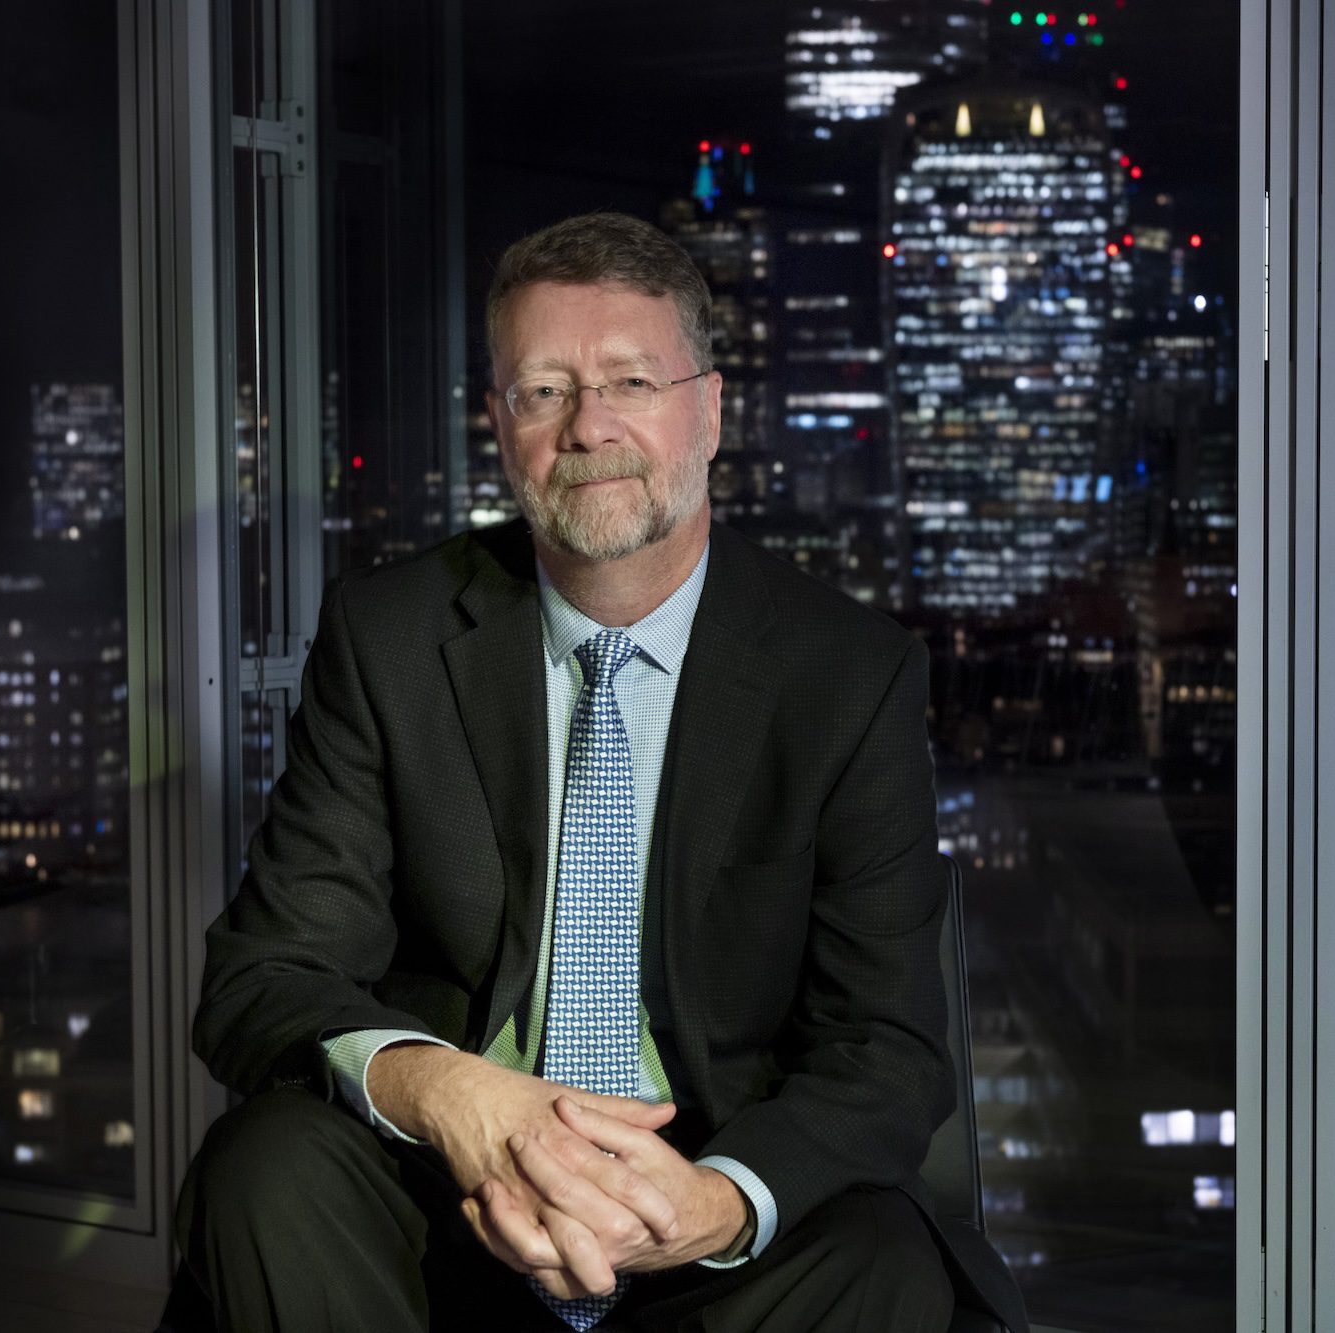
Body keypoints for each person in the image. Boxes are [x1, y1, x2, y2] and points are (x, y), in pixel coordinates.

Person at [173, 211, 1026, 1332]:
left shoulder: (846, 673)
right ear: (499, 422)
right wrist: (448, 1092)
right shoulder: (388, 636)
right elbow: (262, 976)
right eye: (543, 391)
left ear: (708, 410)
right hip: (451, 1196)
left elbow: (887, 1044)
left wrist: (718, 1199)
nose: (588, 427)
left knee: (876, 1257)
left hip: (706, 1195)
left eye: (630, 380)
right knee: (267, 1165)